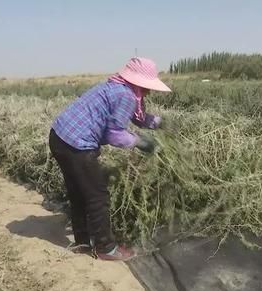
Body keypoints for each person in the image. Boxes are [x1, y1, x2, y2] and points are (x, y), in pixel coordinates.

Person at [49, 57, 171, 261]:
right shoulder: (126, 96)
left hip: (59, 137)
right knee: (98, 196)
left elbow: (137, 117)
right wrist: (142, 143)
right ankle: (106, 247)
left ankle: (82, 242)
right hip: (76, 145)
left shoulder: (115, 87)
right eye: (147, 87)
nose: (149, 91)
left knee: (79, 194)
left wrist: (159, 123)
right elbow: (114, 135)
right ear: (138, 83)